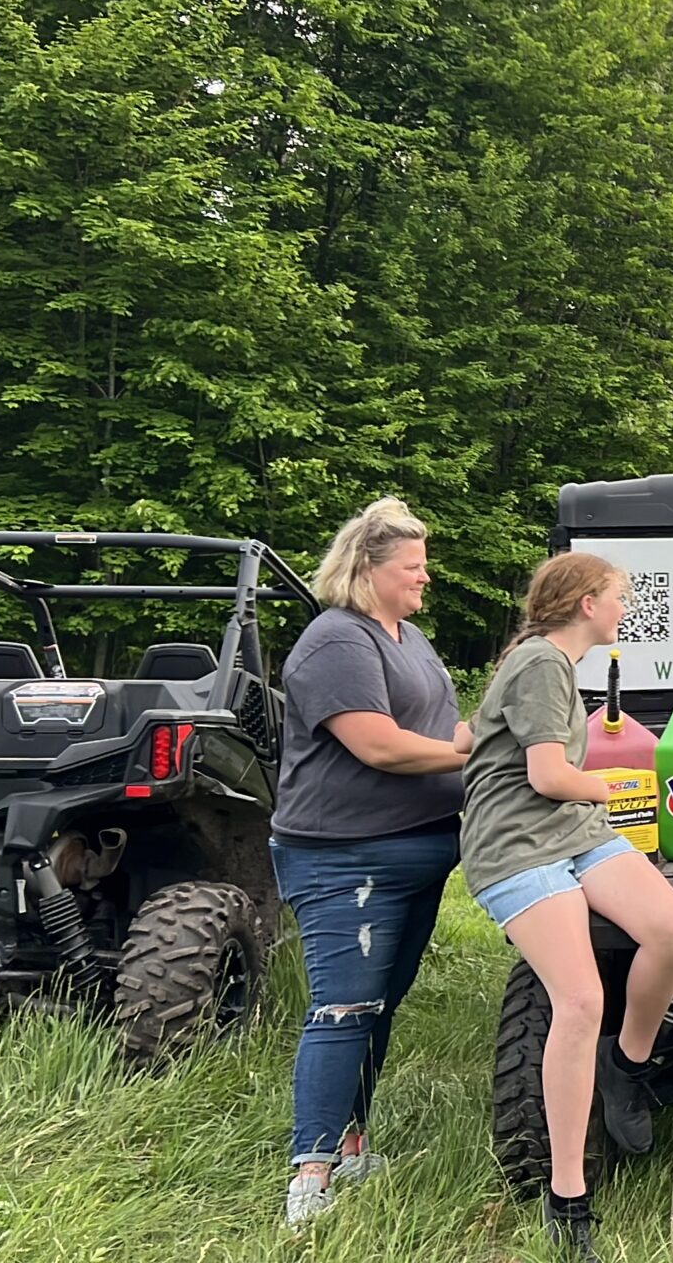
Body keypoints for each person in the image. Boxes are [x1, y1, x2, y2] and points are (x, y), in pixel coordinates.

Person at [462, 553, 673, 1261]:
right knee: (582, 1000)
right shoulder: (540, 662)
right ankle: (569, 1199)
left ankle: (628, 1069)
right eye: (619, 598)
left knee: (671, 928)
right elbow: (546, 774)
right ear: (587, 602)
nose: (625, 609)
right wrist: (617, 785)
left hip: (570, 832)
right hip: (517, 845)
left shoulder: (557, 663)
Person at [271, 497, 474, 1228]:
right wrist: (468, 749)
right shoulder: (337, 643)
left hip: (419, 847)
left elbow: (436, 724)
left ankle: (352, 1147)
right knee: (344, 1007)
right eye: (412, 567)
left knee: (378, 1007)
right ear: (367, 569)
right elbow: (380, 745)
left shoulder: (407, 636)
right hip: (345, 857)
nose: (426, 579)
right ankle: (310, 1179)